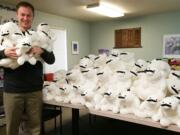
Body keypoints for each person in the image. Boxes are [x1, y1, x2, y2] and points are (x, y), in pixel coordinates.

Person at [0, 1, 55, 135]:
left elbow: (51, 60)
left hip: (34, 91)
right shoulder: (6, 35)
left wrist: (42, 50)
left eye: (29, 15)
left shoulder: (39, 37)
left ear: (33, 17)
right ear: (17, 15)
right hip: (13, 91)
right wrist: (4, 53)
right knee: (12, 128)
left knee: (35, 128)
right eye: (22, 15)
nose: (25, 18)